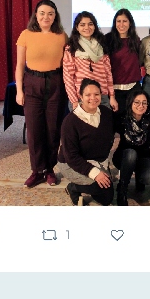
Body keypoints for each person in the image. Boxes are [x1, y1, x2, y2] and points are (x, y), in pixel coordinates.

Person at [15, 0, 68, 188]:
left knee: (53, 129)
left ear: (55, 17)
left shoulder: (61, 36)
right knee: (34, 130)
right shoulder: (26, 35)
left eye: (50, 14)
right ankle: (37, 171)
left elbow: (67, 64)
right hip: (32, 83)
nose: (46, 17)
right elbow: (19, 66)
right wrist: (19, 90)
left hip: (55, 83)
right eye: (42, 13)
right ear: (36, 15)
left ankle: (49, 169)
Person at [58, 78, 115, 206]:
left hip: (96, 160)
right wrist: (95, 173)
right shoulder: (70, 122)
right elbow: (71, 157)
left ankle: (90, 184)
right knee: (100, 188)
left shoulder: (106, 113)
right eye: (88, 95)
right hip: (72, 163)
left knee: (106, 198)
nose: (93, 98)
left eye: (96, 94)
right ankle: (73, 188)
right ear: (81, 96)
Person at [63, 11, 118, 113]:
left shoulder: (101, 45)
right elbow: (68, 77)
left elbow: (108, 73)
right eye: (82, 25)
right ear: (77, 27)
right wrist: (74, 101)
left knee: (104, 123)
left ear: (95, 26)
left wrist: (112, 96)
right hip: (81, 98)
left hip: (102, 96)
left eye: (90, 24)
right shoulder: (71, 48)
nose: (87, 27)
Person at [112, 87, 150, 206]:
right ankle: (122, 188)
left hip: (143, 157)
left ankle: (139, 178)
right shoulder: (122, 119)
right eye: (137, 102)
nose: (140, 106)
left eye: (144, 103)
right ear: (130, 103)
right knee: (131, 154)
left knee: (148, 178)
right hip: (125, 157)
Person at [104, 8, 143, 121]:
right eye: (118, 21)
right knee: (116, 122)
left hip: (133, 88)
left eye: (125, 21)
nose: (121, 24)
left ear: (130, 23)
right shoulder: (108, 40)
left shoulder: (136, 40)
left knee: (133, 122)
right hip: (114, 90)